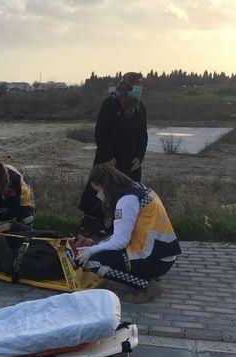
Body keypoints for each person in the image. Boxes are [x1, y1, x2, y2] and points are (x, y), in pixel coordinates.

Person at [75, 163, 180, 304]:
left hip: (154, 259)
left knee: (93, 261)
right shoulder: (137, 189)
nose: (99, 195)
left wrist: (92, 249)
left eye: (98, 190)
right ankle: (145, 275)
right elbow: (123, 234)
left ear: (106, 186)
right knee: (103, 251)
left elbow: (120, 241)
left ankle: (147, 285)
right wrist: (98, 244)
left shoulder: (126, 201)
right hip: (163, 254)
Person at [78, 72, 147, 235]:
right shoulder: (110, 103)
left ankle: (123, 228)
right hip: (109, 161)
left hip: (130, 163)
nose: (140, 87)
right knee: (103, 194)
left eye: (141, 84)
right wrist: (108, 157)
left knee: (128, 196)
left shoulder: (140, 107)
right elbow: (100, 132)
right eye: (138, 83)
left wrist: (139, 156)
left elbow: (142, 134)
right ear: (128, 85)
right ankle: (97, 227)